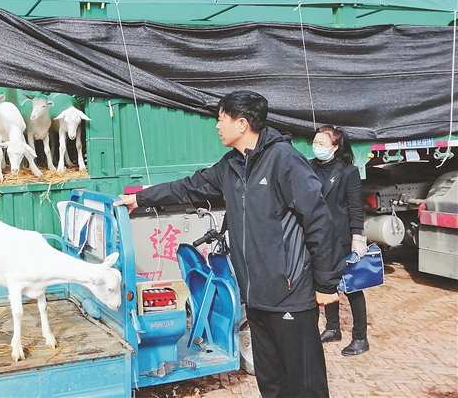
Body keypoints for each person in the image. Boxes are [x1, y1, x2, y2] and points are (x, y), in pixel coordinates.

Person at [115, 90, 344, 398]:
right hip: (256, 294)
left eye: (221, 118)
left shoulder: (284, 160)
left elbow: (319, 221)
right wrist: (140, 199)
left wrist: (327, 283)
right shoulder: (231, 165)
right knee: (271, 381)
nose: (217, 125)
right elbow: (188, 187)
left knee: (303, 383)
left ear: (242, 123)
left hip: (290, 293)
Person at [311, 124, 370, 357]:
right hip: (317, 237)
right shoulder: (309, 166)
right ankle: (332, 328)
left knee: (352, 288)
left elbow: (356, 208)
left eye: (322, 144)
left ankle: (360, 338)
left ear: (335, 147)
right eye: (315, 143)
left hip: (341, 239)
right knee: (326, 284)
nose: (317, 147)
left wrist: (357, 238)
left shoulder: (348, 172)